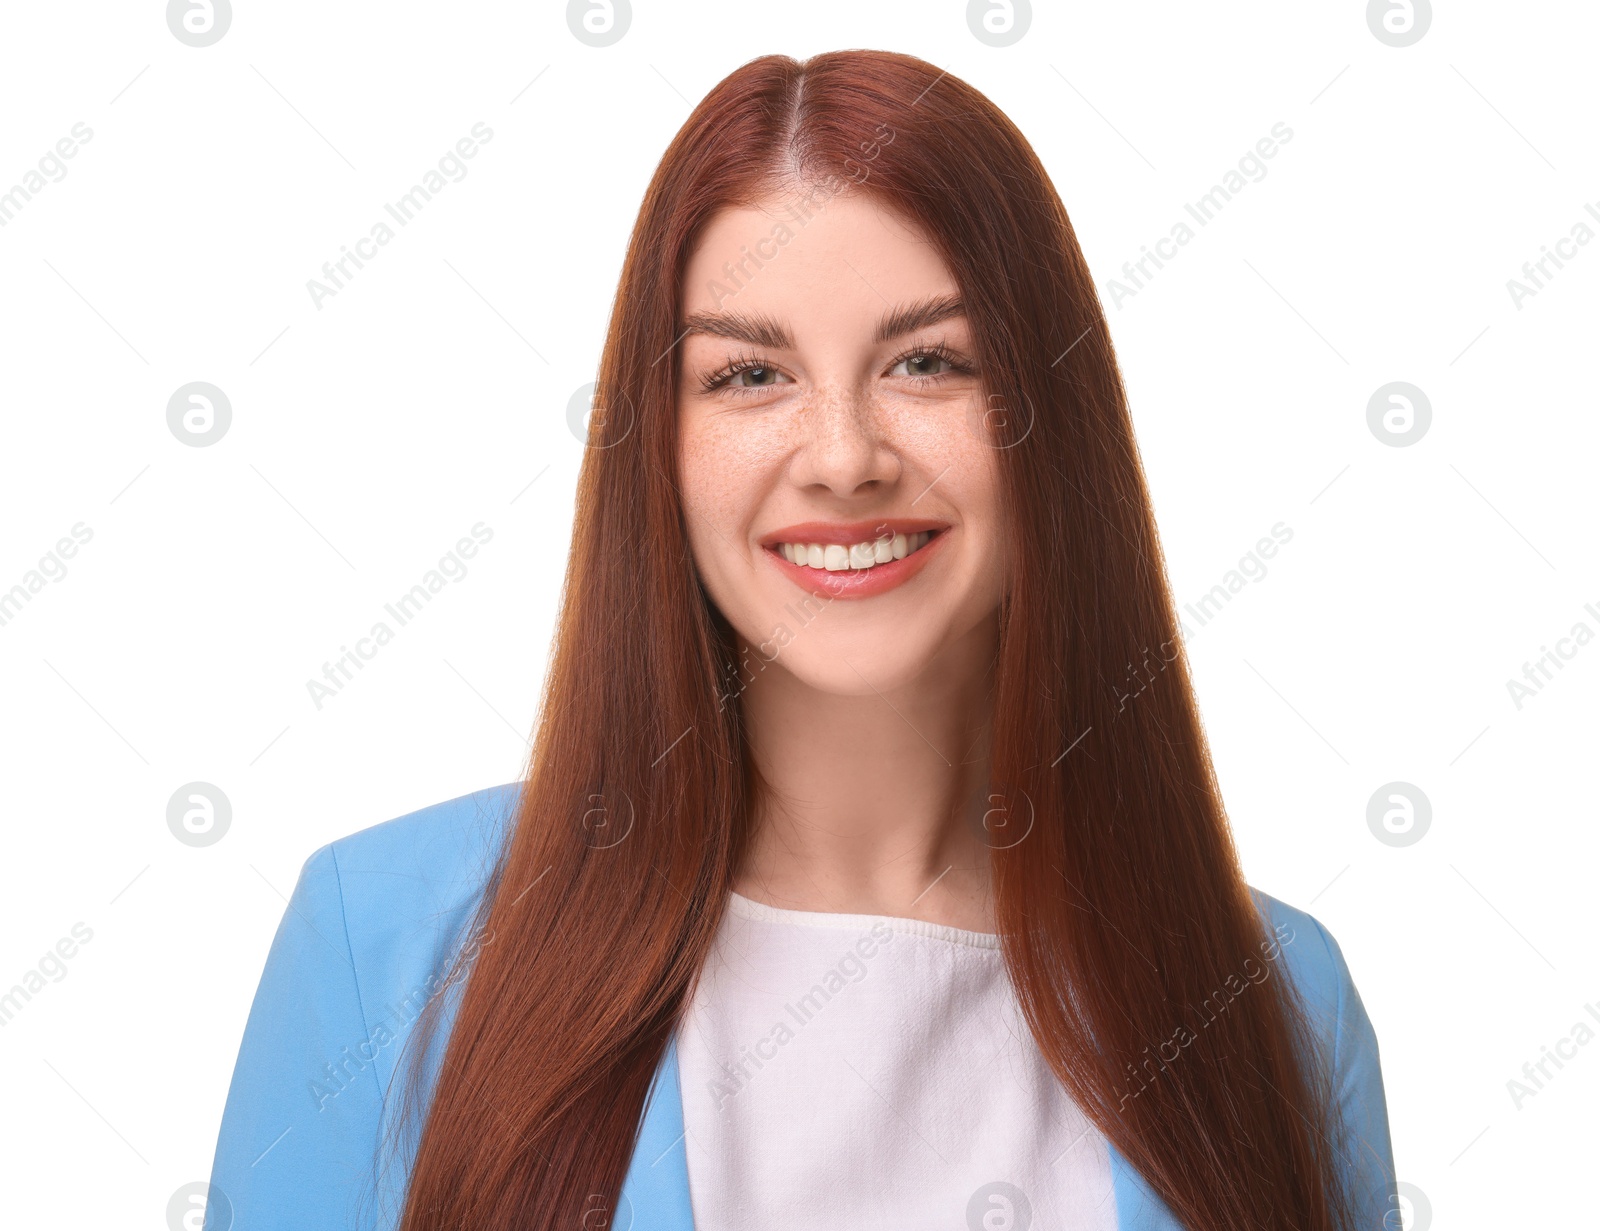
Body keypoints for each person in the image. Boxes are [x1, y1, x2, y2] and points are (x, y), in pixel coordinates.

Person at [205, 49, 1395, 1231]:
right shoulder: (383, 944)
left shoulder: (1280, 1008)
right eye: (749, 373)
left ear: (1050, 418)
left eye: (928, 361)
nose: (842, 456)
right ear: (657, 440)